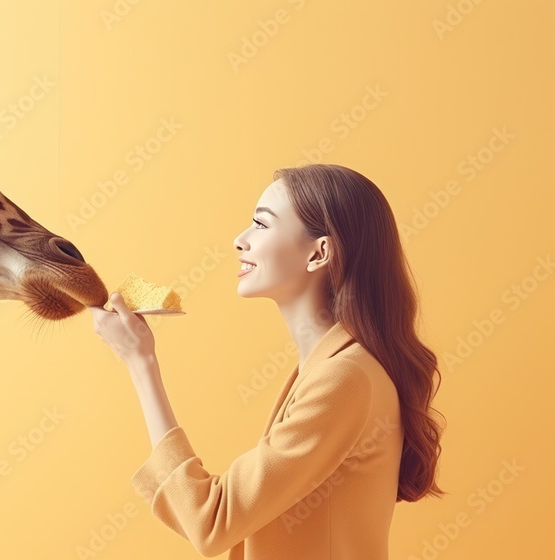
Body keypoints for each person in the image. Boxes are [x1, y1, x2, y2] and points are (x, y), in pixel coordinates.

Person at [89, 163, 445, 559]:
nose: (240, 240)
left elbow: (211, 522)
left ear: (319, 253)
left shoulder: (345, 378)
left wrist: (141, 363)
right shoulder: (332, 367)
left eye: (261, 224)